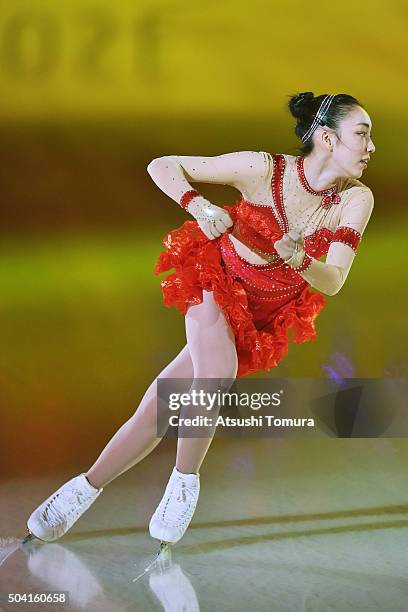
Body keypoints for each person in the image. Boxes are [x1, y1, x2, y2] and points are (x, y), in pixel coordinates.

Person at [25, 92, 375, 547]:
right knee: (216, 374)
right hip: (217, 279)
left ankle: (80, 490)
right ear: (327, 138)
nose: (370, 148)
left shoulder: (354, 199)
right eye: (362, 135)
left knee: (160, 405)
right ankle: (184, 483)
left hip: (264, 310)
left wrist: (299, 258)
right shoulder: (261, 169)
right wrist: (198, 206)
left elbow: (333, 280)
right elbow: (163, 165)